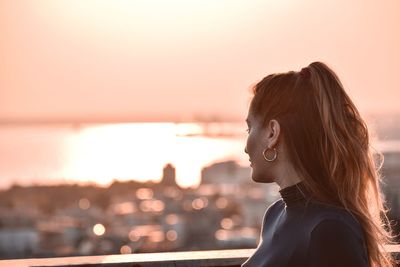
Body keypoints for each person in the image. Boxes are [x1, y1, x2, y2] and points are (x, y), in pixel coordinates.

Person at [241, 62, 395, 267]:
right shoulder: (275, 214)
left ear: (272, 133)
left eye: (249, 128)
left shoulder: (330, 229)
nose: (245, 147)